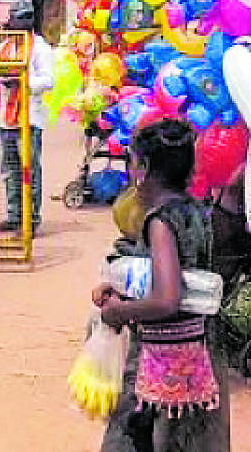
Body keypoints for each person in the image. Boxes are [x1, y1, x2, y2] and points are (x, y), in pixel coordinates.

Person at [94, 119, 230, 452]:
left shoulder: (161, 221)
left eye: (133, 159)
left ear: (146, 166)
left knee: (132, 439)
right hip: (199, 359)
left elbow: (167, 299)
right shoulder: (198, 212)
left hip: (160, 362)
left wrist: (119, 311)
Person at [0, 3, 54, 233]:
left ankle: (31, 221)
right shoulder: (6, 46)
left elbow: (48, 81)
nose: (12, 24)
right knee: (10, 170)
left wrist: (22, 82)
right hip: (7, 118)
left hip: (29, 118)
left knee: (29, 170)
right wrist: (1, 79)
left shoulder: (40, 48)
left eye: (17, 20)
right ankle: (14, 216)